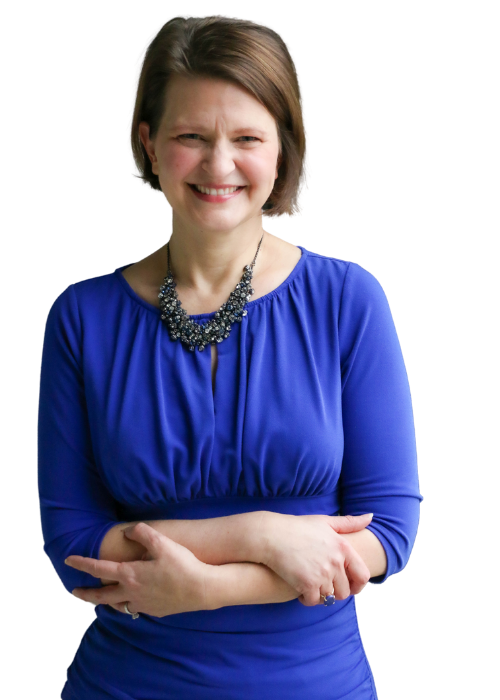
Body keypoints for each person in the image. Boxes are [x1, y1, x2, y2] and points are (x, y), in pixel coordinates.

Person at [37, 14, 423, 700]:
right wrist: (261, 535)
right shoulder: (81, 316)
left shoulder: (349, 299)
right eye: (191, 136)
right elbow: (73, 545)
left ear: (282, 150)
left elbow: (390, 533)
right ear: (149, 143)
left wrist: (207, 589)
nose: (219, 165)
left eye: (247, 138)